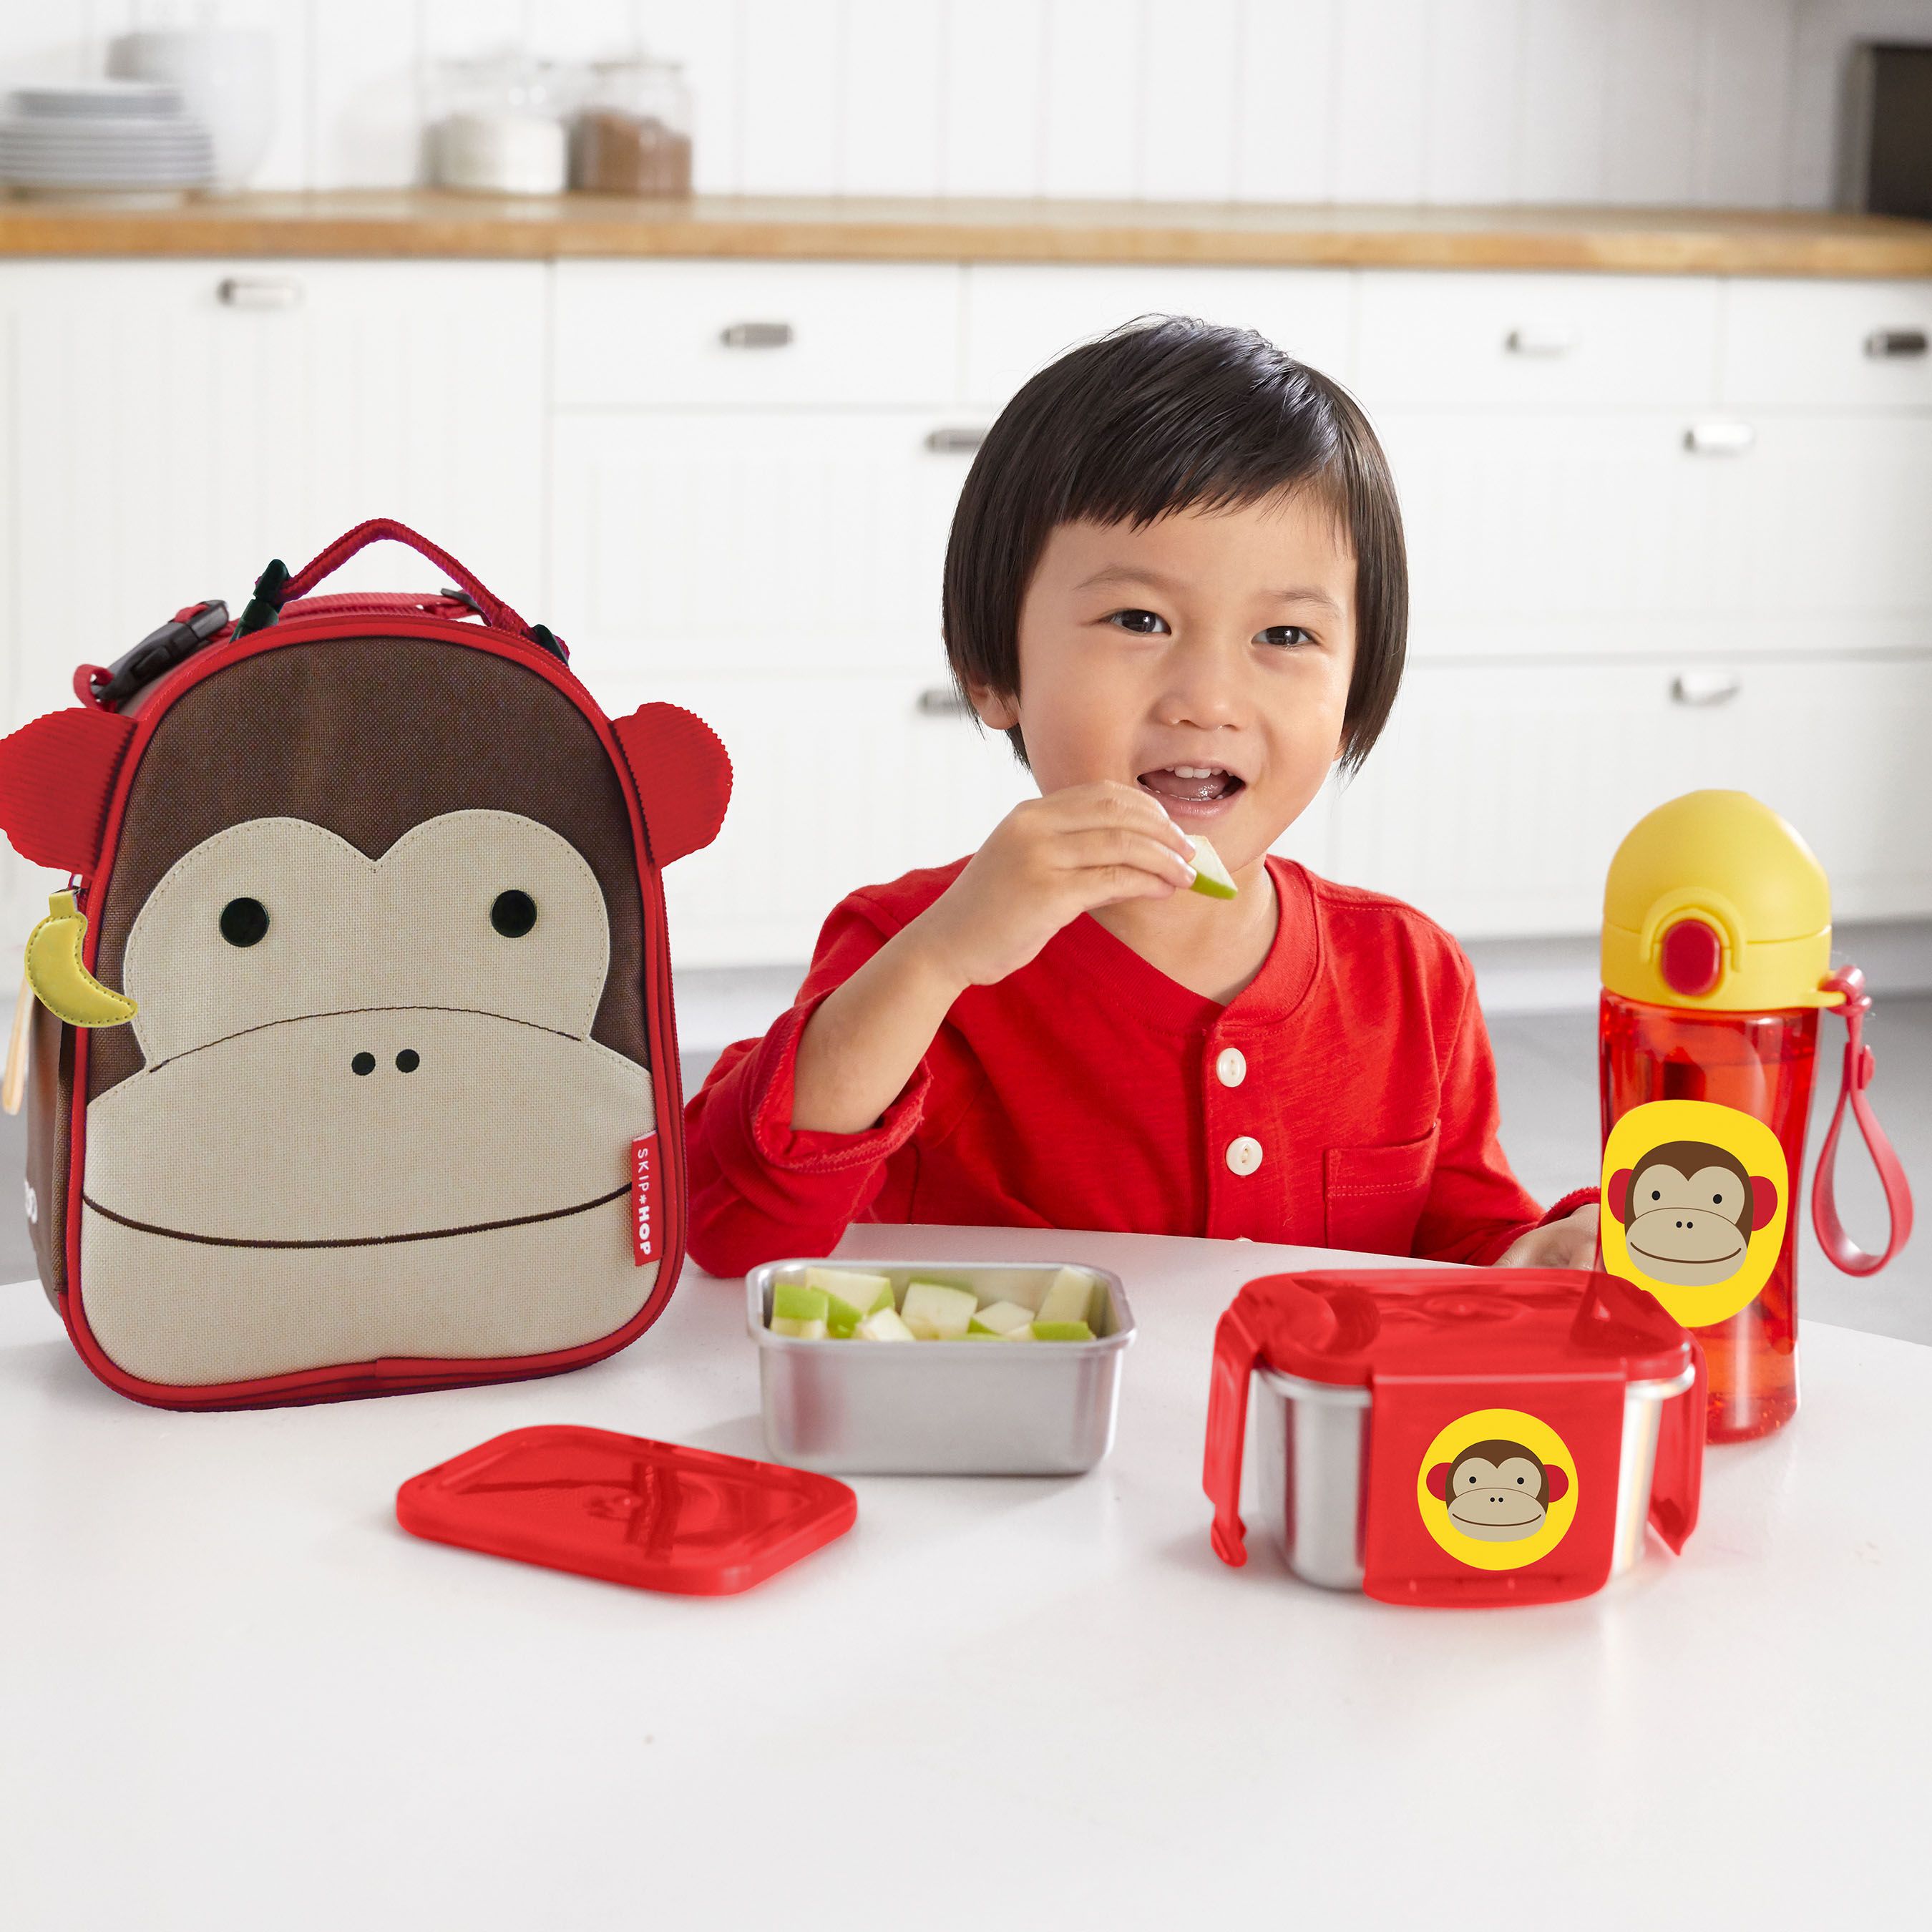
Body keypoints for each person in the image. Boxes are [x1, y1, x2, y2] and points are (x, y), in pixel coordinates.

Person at [684, 317, 1599, 1276]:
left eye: (1285, 636)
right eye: (1140, 619)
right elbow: (732, 1225)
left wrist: (1538, 1254)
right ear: (994, 672)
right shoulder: (914, 948)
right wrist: (935, 965)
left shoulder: (1409, 977)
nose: (1208, 699)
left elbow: (1461, 1250)